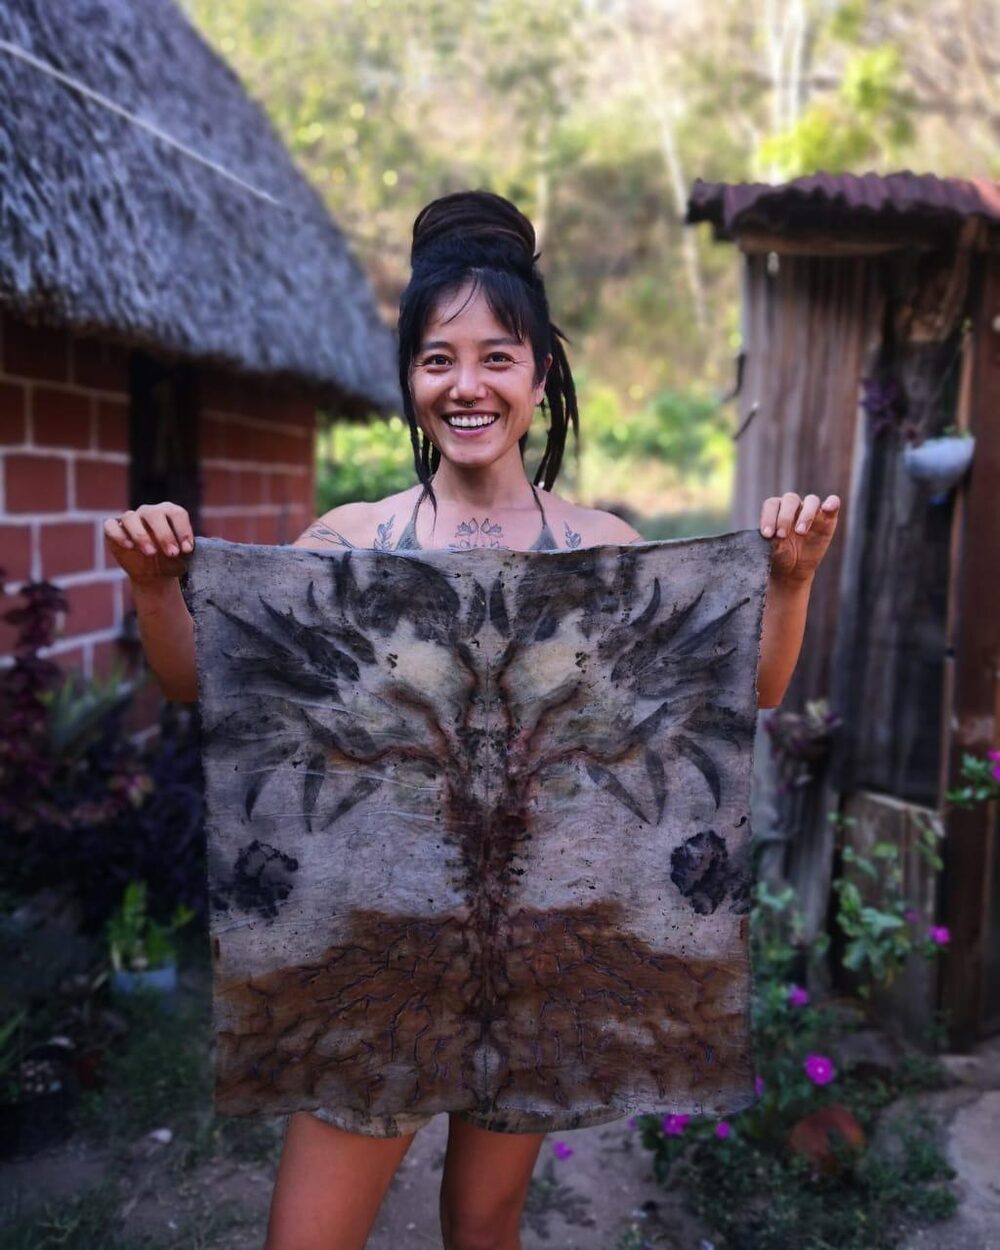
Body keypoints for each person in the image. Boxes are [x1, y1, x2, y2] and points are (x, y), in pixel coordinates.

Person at [104, 189, 840, 1250]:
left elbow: (747, 693)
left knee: (485, 1219)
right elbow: (196, 682)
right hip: (373, 962)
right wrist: (150, 584)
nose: (468, 383)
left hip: (539, 959)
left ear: (540, 374)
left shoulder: (604, 548)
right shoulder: (346, 544)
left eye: (498, 356)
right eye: (438, 358)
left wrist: (790, 580)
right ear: (410, 381)